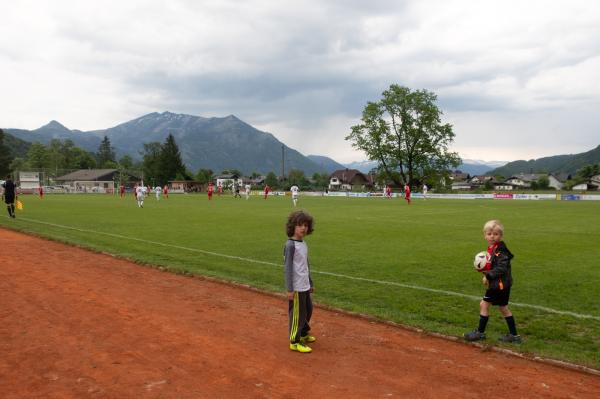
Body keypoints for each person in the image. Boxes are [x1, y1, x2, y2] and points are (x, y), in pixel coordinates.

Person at [464, 220, 521, 343]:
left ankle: (480, 333)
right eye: (489, 234)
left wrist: (488, 276)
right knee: (503, 308)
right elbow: (493, 265)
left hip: (499, 285)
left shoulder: (501, 251)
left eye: (495, 234)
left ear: (500, 236)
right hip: (501, 284)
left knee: (484, 305)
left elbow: (501, 267)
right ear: (485, 235)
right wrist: (484, 270)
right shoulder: (493, 248)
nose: (492, 236)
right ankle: (514, 336)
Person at [284, 210, 316, 353]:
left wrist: (310, 283)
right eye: (299, 225)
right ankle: (294, 341)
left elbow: (305, 265)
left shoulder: (303, 244)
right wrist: (290, 289)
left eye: (305, 225)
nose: (303, 228)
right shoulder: (290, 245)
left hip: (304, 284)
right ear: (293, 227)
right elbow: (288, 268)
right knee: (298, 313)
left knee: (308, 310)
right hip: (296, 286)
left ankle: (303, 333)